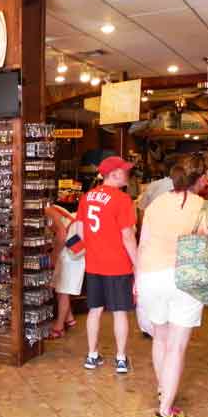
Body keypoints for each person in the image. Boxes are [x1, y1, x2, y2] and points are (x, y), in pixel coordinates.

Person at [137, 154, 208, 417]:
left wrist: (136, 279)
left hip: (150, 276)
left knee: (160, 338)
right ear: (201, 178)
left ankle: (163, 389)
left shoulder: (155, 204)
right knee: (176, 346)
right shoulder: (206, 207)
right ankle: (165, 411)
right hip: (185, 280)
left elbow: (143, 244)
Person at [75, 156, 138, 374]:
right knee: (120, 312)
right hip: (118, 264)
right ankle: (120, 359)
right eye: (125, 170)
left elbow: (81, 233)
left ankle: (92, 355)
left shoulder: (87, 197)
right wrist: (137, 264)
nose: (128, 174)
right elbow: (128, 236)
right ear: (114, 174)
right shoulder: (122, 200)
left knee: (95, 310)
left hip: (93, 264)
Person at [44, 203, 84, 338]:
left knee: (63, 288)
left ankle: (59, 327)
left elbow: (61, 234)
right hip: (71, 246)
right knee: (60, 285)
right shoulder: (51, 208)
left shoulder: (47, 210)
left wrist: (54, 255)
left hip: (70, 248)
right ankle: (69, 319)